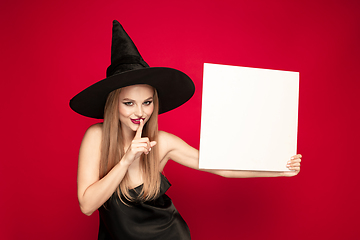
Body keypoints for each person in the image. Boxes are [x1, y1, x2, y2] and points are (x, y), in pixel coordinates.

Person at [70, 20, 302, 240]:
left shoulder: (163, 142)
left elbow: (221, 167)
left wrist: (279, 170)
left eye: (147, 102)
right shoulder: (96, 136)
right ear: (114, 105)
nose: (139, 112)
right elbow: (87, 206)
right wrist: (126, 160)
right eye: (129, 103)